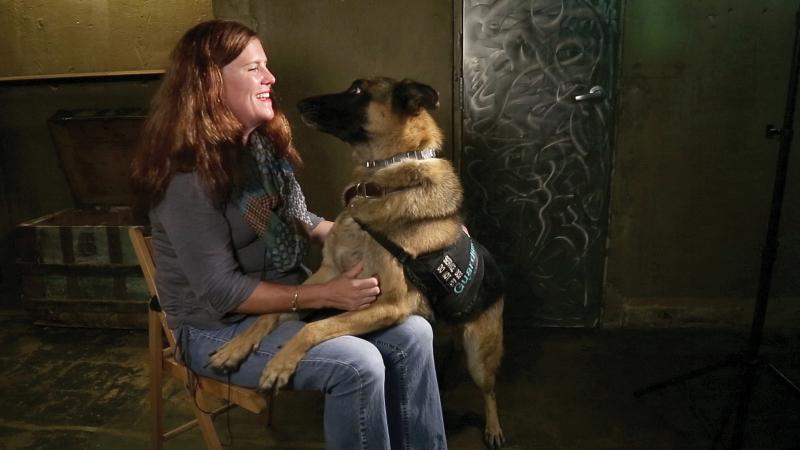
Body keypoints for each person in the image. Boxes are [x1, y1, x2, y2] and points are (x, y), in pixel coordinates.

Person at [129, 19, 447, 450]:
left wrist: (418, 234)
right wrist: (325, 295)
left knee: (414, 333)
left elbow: (305, 220)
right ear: (210, 83)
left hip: (288, 305)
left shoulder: (263, 152)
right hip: (215, 329)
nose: (270, 78)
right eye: (253, 68)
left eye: (267, 66)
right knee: (358, 364)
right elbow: (223, 291)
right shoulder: (185, 175)